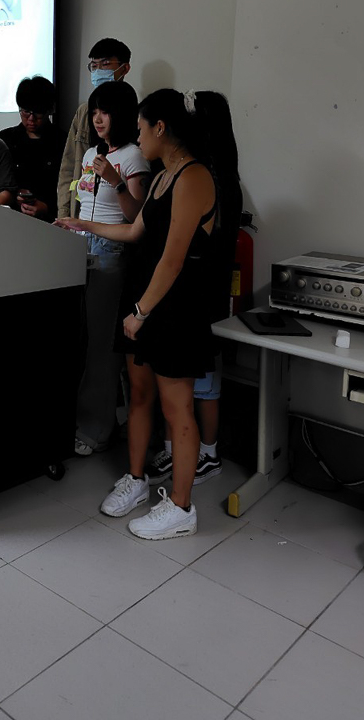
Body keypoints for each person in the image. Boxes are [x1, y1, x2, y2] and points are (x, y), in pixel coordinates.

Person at [56, 88, 217, 540]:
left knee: (176, 407)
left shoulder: (194, 177)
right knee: (140, 394)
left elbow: (174, 258)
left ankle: (182, 507)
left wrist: (141, 312)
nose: (138, 137)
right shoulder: (164, 177)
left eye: (142, 129)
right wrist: (80, 223)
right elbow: (133, 231)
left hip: (173, 306)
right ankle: (136, 479)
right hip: (143, 295)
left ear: (160, 128)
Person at [148, 91, 242, 487]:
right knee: (186, 386)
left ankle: (208, 453)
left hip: (203, 292)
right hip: (193, 290)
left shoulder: (207, 177)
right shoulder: (203, 172)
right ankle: (185, 452)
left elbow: (185, 251)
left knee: (201, 383)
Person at [71, 81, 150, 457]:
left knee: (102, 347)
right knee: (84, 342)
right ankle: (86, 419)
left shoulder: (134, 157)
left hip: (111, 252)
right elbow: (83, 202)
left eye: (105, 112)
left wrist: (116, 181)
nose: (98, 119)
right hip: (80, 248)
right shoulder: (92, 152)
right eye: (94, 112)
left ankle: (96, 429)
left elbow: (137, 217)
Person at [56, 38, 132, 220]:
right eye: (94, 66)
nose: (98, 71)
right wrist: (64, 214)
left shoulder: (133, 110)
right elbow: (68, 166)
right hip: (81, 212)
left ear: (124, 68)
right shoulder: (84, 111)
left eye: (105, 64)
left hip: (115, 217)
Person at [0, 76, 67, 222]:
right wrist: (14, 195)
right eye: (25, 112)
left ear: (50, 109)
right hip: (9, 219)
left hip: (51, 222)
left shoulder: (64, 142)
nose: (31, 119)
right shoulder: (4, 140)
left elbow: (70, 188)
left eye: (38, 112)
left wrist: (47, 208)